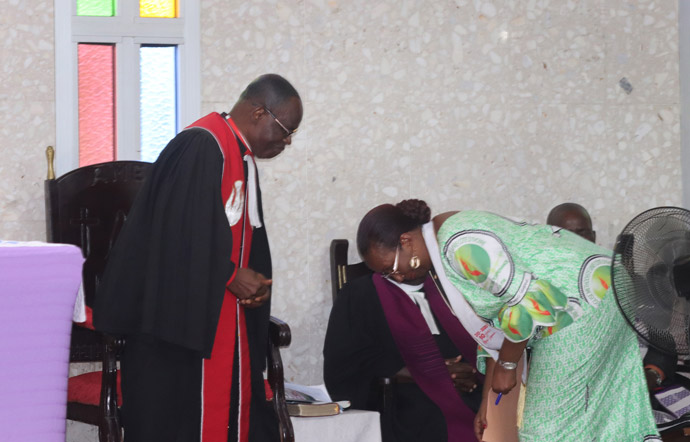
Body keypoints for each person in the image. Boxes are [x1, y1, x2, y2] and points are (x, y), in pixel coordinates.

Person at [93, 74, 303, 442]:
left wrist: (254, 286)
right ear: (258, 112)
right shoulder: (201, 146)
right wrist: (230, 274)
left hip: (222, 318)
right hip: (178, 328)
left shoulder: (241, 157)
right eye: (285, 129)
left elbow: (241, 240)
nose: (286, 141)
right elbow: (174, 234)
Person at [356, 200, 660, 442]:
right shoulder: (442, 237)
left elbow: (530, 302)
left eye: (391, 268)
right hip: (603, 289)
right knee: (602, 418)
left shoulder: (457, 245)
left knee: (544, 430)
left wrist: (508, 366)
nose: (395, 278)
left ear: (406, 241)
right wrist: (488, 402)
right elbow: (496, 327)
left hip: (584, 301)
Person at [323, 272, 483, 442]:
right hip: (406, 396)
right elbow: (347, 363)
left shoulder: (453, 283)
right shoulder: (361, 294)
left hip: (467, 388)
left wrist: (472, 371)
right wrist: (430, 374)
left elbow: (486, 340)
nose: (398, 275)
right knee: (428, 417)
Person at [547, 203, 677, 392]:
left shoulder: (622, 280)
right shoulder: (539, 283)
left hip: (626, 386)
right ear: (549, 237)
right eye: (565, 233)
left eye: (581, 232)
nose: (574, 240)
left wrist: (652, 374)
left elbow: (662, 339)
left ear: (593, 237)